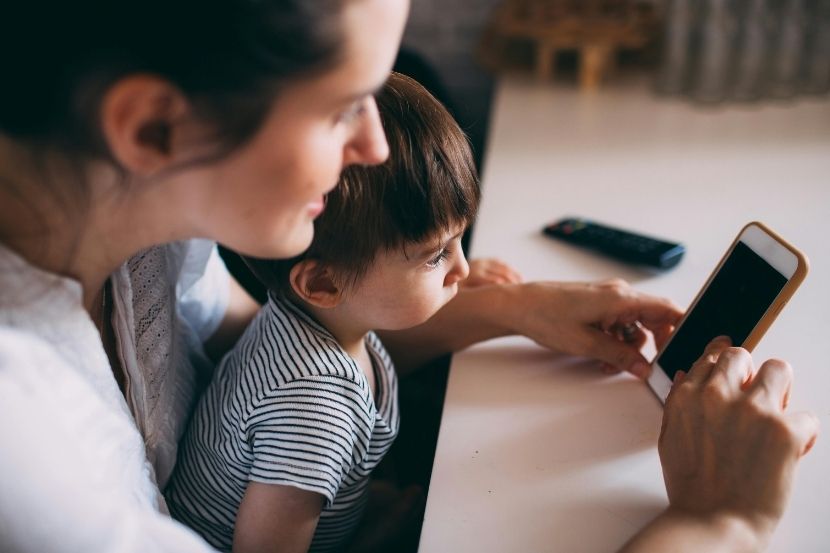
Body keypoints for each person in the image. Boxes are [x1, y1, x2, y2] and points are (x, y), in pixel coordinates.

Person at [0, 1, 817, 552]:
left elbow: (256, 344)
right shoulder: (32, 451)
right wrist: (723, 519)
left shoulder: (144, 226)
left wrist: (511, 308)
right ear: (153, 126)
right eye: (341, 106)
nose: (376, 146)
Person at [165, 72, 480, 552]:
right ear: (324, 283)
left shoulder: (317, 321)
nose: (462, 268)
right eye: (435, 255)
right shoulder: (314, 406)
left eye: (460, 241)